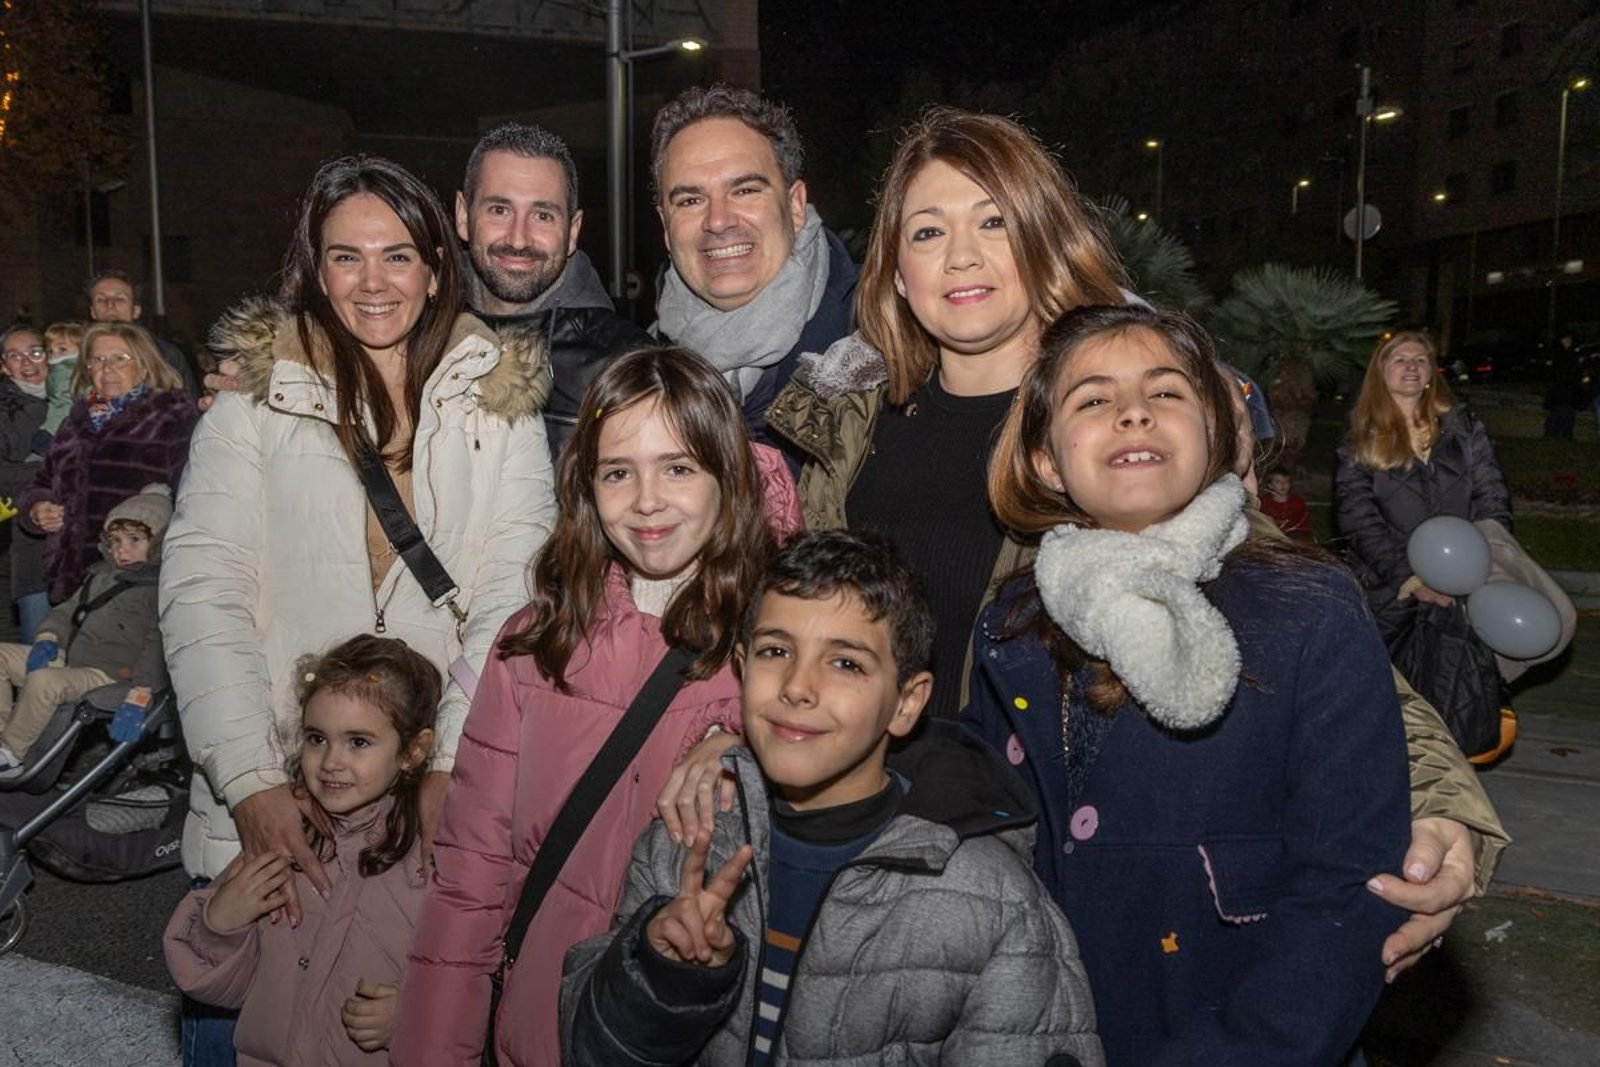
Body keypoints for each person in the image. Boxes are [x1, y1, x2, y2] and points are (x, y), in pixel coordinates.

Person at [160, 154, 557, 1066]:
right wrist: (251, 779)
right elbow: (202, 591)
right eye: (347, 257)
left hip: (423, 810)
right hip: (269, 801)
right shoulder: (253, 402)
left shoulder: (502, 399)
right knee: (242, 1021)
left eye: (398, 255)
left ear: (435, 265)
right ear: (313, 265)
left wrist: (450, 764)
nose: (373, 282)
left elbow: (513, 593)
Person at [967, 304, 1410, 1063]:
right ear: (1045, 459)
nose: (1133, 411)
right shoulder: (1009, 625)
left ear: (1213, 436)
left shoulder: (1311, 610)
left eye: (1166, 392)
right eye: (1093, 399)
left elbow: (1347, 887)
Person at [392, 346, 801, 1067]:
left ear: (728, 478)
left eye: (678, 467)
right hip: (539, 1032)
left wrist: (740, 740)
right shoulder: (535, 643)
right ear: (587, 485)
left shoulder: (778, 649)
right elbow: (471, 880)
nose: (646, 499)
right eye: (619, 471)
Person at [561, 529, 1104, 1066]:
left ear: (906, 703)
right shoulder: (685, 840)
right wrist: (664, 977)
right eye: (777, 651)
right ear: (744, 669)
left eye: (845, 663)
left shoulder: (991, 906)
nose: (798, 686)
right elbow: (589, 1050)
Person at [766, 107, 1126, 719]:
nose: (961, 256)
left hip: (1034, 806)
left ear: (1044, 242)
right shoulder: (846, 427)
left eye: (993, 222)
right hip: (873, 799)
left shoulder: (1113, 426)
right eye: (928, 232)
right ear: (900, 274)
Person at [163, 634, 440, 1066]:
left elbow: (485, 981)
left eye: (359, 742)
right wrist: (221, 923)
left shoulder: (433, 859)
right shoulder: (289, 840)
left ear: (413, 751)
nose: (331, 760)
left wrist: (418, 1017)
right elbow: (225, 988)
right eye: (316, 738)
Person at [649, 84, 858, 455]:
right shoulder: (642, 371)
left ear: (795, 206)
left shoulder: (884, 341)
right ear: (666, 226)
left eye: (745, 190)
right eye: (691, 200)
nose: (718, 220)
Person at [1335, 329, 1514, 758]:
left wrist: (1489, 558)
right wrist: (1412, 577)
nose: (1411, 367)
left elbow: (1492, 495)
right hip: (1391, 592)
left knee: (1453, 698)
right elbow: (1356, 517)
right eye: (1400, 359)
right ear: (1380, 372)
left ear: (1432, 372)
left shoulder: (1462, 427)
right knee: (1383, 706)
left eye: (1420, 360)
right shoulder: (1360, 436)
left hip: (1466, 586)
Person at [456, 122, 653, 457]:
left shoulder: (627, 365)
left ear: (573, 231)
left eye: (543, 215)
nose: (518, 239)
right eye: (499, 210)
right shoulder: (414, 337)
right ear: (463, 216)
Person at [18, 321, 197, 605]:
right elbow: (41, 482)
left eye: (120, 359)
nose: (107, 368)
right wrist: (38, 508)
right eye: (97, 359)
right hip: (73, 581)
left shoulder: (170, 417)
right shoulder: (74, 423)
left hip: (136, 582)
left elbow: (190, 499)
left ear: (145, 364)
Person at [0, 483, 170, 779]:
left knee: (43, 682)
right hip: (71, 658)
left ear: (158, 543)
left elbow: (157, 647)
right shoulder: (100, 575)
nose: (122, 550)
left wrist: (140, 695)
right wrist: (48, 638)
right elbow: (66, 610)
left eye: (134, 540)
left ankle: (12, 754)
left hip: (110, 672)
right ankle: (4, 733)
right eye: (115, 540)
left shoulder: (158, 590)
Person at [0, 325, 52, 640]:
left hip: (89, 548)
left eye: (34, 351)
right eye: (14, 356)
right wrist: (62, 473)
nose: (27, 362)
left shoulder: (81, 396)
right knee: (39, 650)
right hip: (32, 547)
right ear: (4, 366)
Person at [85, 269, 199, 394]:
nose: (110, 305)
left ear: (136, 310)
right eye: (101, 299)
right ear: (92, 311)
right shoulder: (77, 351)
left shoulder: (163, 354)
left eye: (120, 299)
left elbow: (186, 405)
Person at [41, 320, 84, 436]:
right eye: (50, 351)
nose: (54, 354)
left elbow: (65, 403)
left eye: (62, 349)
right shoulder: (55, 370)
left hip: (59, 428)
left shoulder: (68, 371)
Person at [1258, 466, 1312, 540]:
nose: (1283, 484)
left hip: (1293, 535)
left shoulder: (1297, 502)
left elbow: (1303, 525)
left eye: (1286, 481)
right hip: (1271, 535)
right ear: (1270, 485)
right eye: (1278, 481)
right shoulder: (1264, 502)